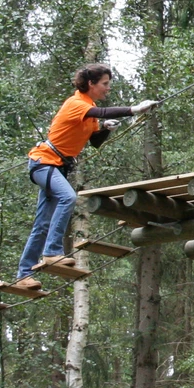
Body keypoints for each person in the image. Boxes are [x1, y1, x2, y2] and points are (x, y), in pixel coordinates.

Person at [14, 64, 157, 289]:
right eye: (105, 84)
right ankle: (52, 252)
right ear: (91, 84)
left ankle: (23, 276)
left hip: (56, 167)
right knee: (68, 198)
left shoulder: (88, 109)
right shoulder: (77, 104)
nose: (108, 88)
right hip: (44, 162)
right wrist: (134, 109)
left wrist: (105, 130)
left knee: (42, 223)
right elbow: (100, 113)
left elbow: (94, 142)